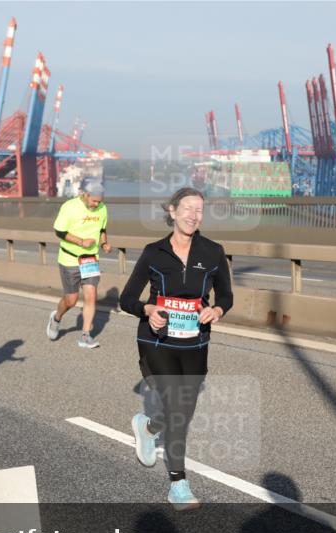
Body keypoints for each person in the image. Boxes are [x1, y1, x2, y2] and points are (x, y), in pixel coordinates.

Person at [119, 187, 233, 509]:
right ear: (172, 211)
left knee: (184, 410)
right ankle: (178, 483)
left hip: (195, 342)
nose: (193, 215)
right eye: (187, 208)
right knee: (177, 408)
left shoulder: (212, 252)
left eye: (199, 210)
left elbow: (226, 296)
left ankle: (149, 426)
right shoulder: (154, 252)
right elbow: (127, 299)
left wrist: (217, 310)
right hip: (156, 341)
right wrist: (148, 310)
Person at [45, 180, 111, 348]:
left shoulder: (102, 208)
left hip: (90, 260)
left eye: (99, 201)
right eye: (94, 201)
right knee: (71, 300)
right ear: (85, 194)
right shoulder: (69, 207)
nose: (97, 204)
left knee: (91, 296)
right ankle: (56, 318)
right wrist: (81, 242)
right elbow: (59, 231)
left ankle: (85, 335)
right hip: (70, 259)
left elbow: (102, 230)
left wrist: (104, 244)